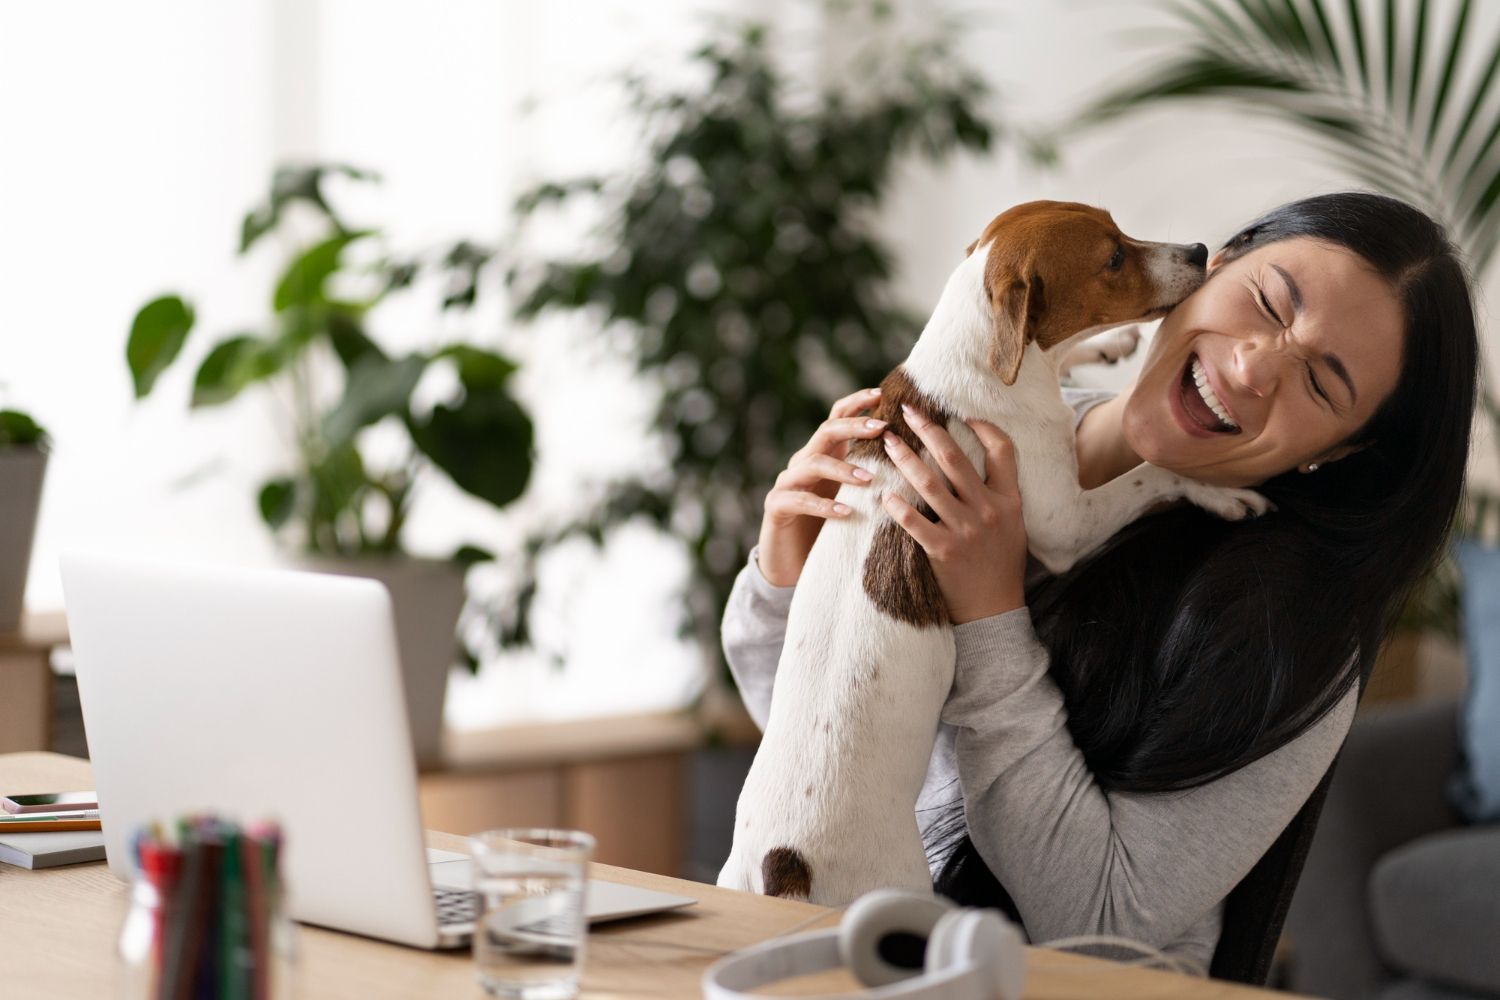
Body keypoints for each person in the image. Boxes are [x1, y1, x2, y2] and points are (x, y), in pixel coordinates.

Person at [721, 191, 1480, 972]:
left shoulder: (1286, 626)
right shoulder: (959, 438)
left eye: (1322, 384)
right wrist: (789, 564)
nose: (1254, 366)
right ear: (1217, 264)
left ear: (1339, 451)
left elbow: (1108, 921)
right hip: (842, 946)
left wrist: (991, 621)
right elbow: (820, 745)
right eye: (1265, 301)